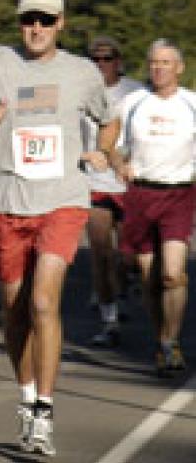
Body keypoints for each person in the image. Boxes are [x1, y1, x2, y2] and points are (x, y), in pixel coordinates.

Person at [0, 0, 114, 457]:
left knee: (44, 302)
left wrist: (103, 150)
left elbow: (109, 119)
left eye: (45, 19)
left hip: (62, 199)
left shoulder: (80, 72)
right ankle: (25, 397)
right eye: (28, 20)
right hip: (8, 202)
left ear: (60, 22)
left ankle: (44, 408)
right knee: (16, 311)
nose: (35, 28)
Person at [101, 39, 196, 376]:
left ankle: (171, 342)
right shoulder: (134, 102)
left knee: (173, 272)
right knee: (149, 276)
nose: (159, 68)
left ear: (179, 68)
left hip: (180, 194)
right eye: (154, 62)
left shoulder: (191, 103)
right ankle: (161, 338)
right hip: (141, 194)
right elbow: (109, 141)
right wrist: (116, 162)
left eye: (166, 62)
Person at [81, 36, 144, 348]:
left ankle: (125, 278)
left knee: (129, 256)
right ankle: (109, 321)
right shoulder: (80, 92)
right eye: (95, 58)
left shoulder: (135, 92)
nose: (101, 64)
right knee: (101, 252)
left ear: (118, 61)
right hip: (95, 181)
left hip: (130, 182)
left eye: (107, 58)